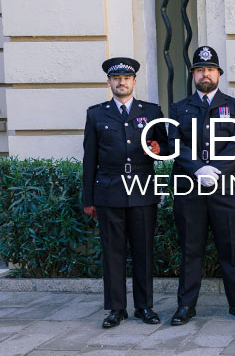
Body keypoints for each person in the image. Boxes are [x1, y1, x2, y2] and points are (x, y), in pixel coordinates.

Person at [167, 46, 235, 325]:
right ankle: (185, 306)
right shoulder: (179, 107)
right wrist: (197, 168)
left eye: (210, 70)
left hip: (225, 189)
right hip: (190, 190)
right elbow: (174, 142)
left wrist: (214, 170)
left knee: (230, 249)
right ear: (193, 74)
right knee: (190, 250)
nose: (205, 74)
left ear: (218, 74)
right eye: (200, 70)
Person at [82, 57, 166, 328]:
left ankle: (144, 307)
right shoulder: (96, 114)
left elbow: (165, 146)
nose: (121, 82)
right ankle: (116, 309)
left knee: (143, 252)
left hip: (142, 189)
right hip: (109, 191)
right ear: (109, 82)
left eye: (126, 78)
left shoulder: (151, 111)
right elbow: (89, 159)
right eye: (116, 78)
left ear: (134, 82)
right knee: (112, 253)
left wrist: (158, 149)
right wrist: (88, 199)